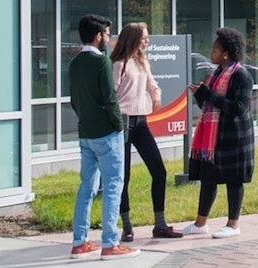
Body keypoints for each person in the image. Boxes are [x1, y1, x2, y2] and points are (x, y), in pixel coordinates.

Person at [67, 14, 139, 260]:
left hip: (85, 132)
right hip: (107, 134)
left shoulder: (75, 62)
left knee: (86, 186)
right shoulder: (102, 63)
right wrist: (119, 126)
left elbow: (73, 99)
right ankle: (110, 243)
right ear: (98, 37)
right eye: (107, 35)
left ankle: (80, 241)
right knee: (113, 186)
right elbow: (110, 99)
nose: (108, 39)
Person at [108, 22, 186, 241]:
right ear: (132, 38)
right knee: (124, 177)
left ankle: (160, 224)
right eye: (144, 37)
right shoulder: (118, 64)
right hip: (123, 122)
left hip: (141, 122)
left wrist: (156, 93)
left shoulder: (141, 62)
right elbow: (112, 95)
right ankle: (127, 226)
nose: (147, 40)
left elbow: (152, 83)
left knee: (159, 171)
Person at [178, 27, 256, 239]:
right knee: (208, 178)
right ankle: (200, 223)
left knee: (234, 180)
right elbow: (208, 103)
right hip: (213, 137)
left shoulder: (241, 75)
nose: (210, 52)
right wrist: (200, 94)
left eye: (214, 49)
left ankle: (233, 224)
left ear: (226, 54)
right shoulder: (215, 74)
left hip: (234, 136)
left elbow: (238, 108)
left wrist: (208, 94)